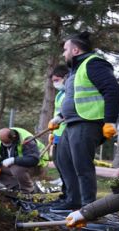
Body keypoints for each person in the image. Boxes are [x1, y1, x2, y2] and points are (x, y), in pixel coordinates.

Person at [50, 31, 119, 213]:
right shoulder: (75, 71)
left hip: (87, 122)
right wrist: (59, 118)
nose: (63, 54)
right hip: (72, 123)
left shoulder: (94, 64)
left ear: (75, 50)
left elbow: (112, 90)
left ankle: (88, 207)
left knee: (82, 165)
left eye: (65, 49)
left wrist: (110, 121)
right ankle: (72, 200)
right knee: (63, 161)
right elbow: (72, 99)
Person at [0, 127, 48, 193]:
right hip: (15, 165)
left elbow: (33, 160)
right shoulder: (0, 138)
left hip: (37, 166)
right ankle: (16, 187)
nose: (5, 145)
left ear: (14, 137)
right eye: (3, 143)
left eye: (7, 143)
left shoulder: (27, 140)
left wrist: (13, 160)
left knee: (16, 169)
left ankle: (28, 191)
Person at [47, 65, 69, 201]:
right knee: (57, 161)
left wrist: (58, 120)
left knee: (65, 164)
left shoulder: (69, 93)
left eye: (57, 80)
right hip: (58, 133)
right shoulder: (60, 94)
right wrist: (53, 133)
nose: (55, 83)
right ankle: (65, 191)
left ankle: (69, 194)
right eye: (53, 81)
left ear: (65, 77)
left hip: (67, 132)